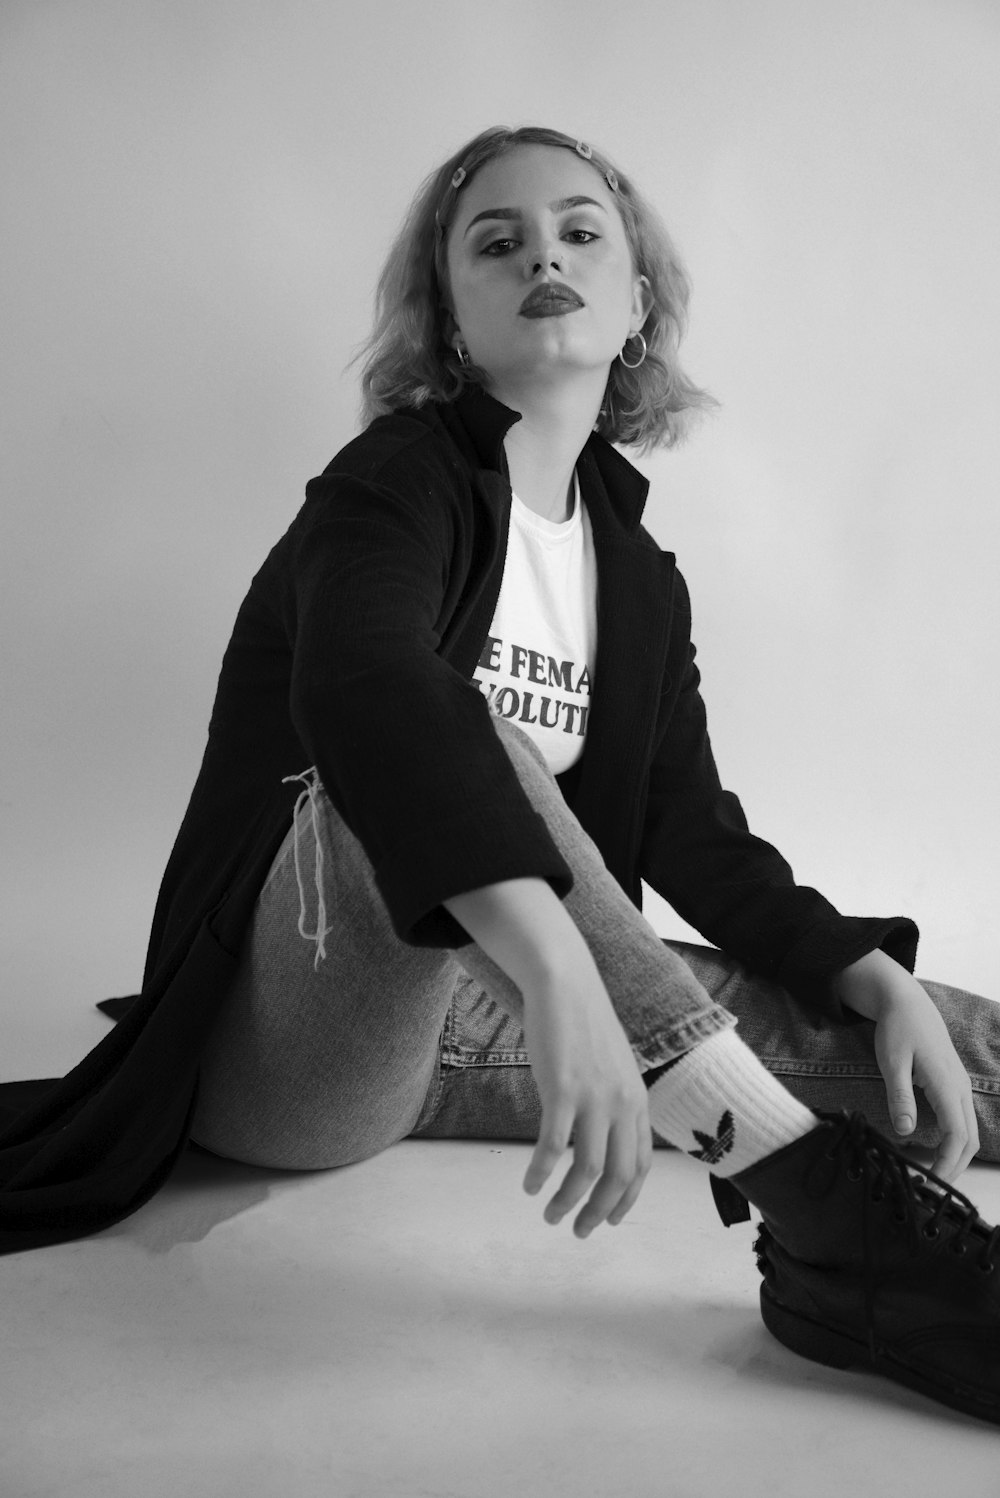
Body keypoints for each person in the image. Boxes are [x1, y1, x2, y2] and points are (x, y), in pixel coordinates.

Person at [1, 125, 998, 1421]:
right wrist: (550, 968)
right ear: (449, 316)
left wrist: (867, 971)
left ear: (636, 300)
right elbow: (364, 691)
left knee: (929, 1036)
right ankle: (824, 1214)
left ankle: (866, 1198)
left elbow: (693, 833)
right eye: (499, 239)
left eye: (583, 232)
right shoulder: (392, 487)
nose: (545, 253)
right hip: (295, 1031)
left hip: (524, 991)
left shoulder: (638, 577)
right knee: (448, 717)